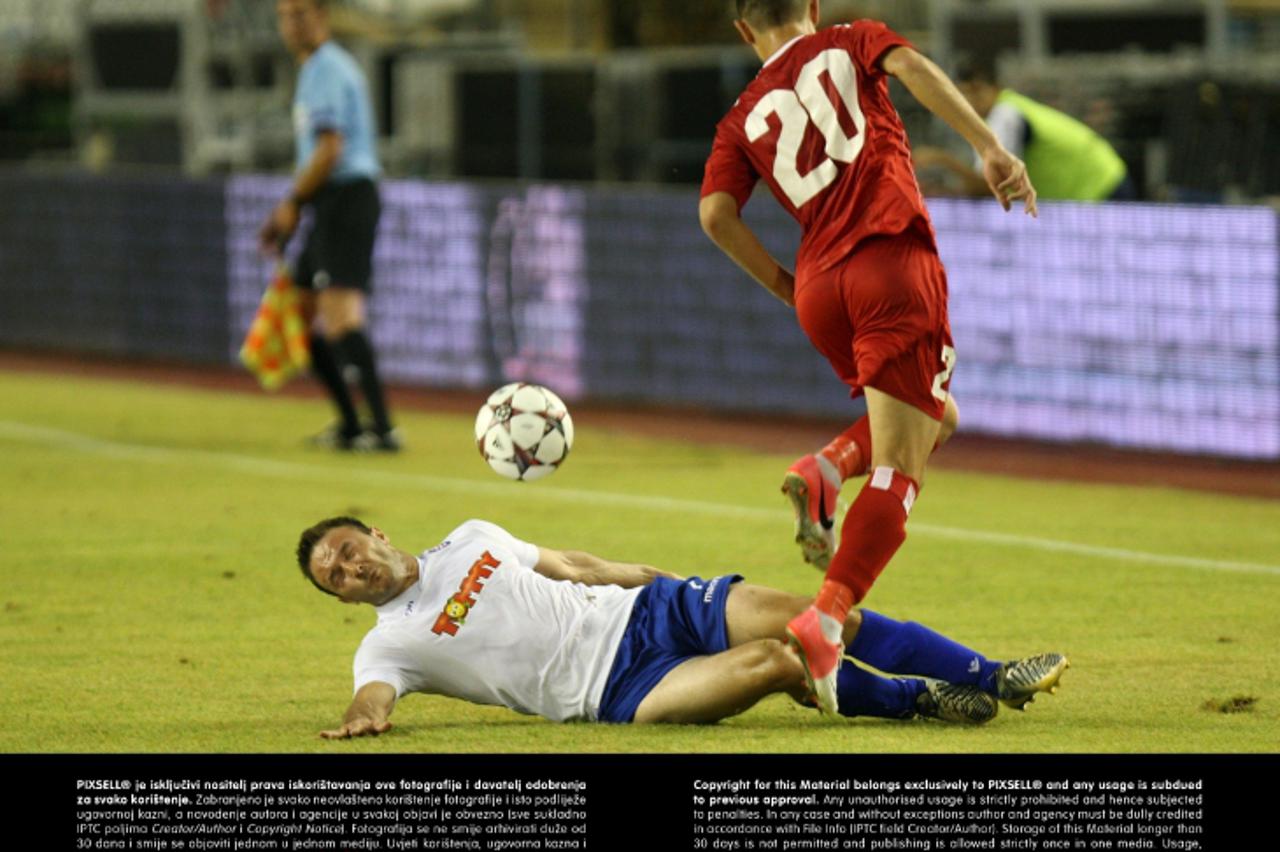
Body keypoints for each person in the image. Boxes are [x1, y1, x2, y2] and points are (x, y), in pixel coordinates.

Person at [698, 0, 1038, 713]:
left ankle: (827, 469)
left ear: (742, 30)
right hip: (888, 258)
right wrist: (988, 146)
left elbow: (715, 214)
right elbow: (912, 68)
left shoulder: (742, 115)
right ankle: (826, 619)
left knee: (937, 415)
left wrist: (788, 287)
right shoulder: (850, 40)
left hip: (822, 284)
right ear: (814, 7)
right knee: (901, 468)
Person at [295, 516, 1068, 736]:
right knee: (777, 661)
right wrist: (362, 721)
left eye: (348, 550)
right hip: (622, 688)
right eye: (334, 576)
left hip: (642, 610)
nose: (349, 568)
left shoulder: (472, 538)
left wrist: (641, 576)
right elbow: (372, 697)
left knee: (828, 618)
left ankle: (991, 675)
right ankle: (920, 702)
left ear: (380, 537)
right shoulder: (386, 642)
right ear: (340, 600)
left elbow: (570, 562)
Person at [259, 0, 399, 452]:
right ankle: (351, 426)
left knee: (340, 317)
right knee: (300, 317)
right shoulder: (316, 70)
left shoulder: (327, 69)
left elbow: (330, 148)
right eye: (285, 14)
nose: (292, 23)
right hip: (329, 202)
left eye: (301, 13)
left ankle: (382, 429)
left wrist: (293, 202)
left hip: (347, 197)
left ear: (321, 17)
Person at [914, 57, 1134, 202]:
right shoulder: (995, 117)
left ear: (996, 87)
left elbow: (989, 187)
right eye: (963, 94)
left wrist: (942, 160)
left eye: (977, 91)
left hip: (1101, 188)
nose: (971, 100)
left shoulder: (1005, 115)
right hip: (1096, 186)